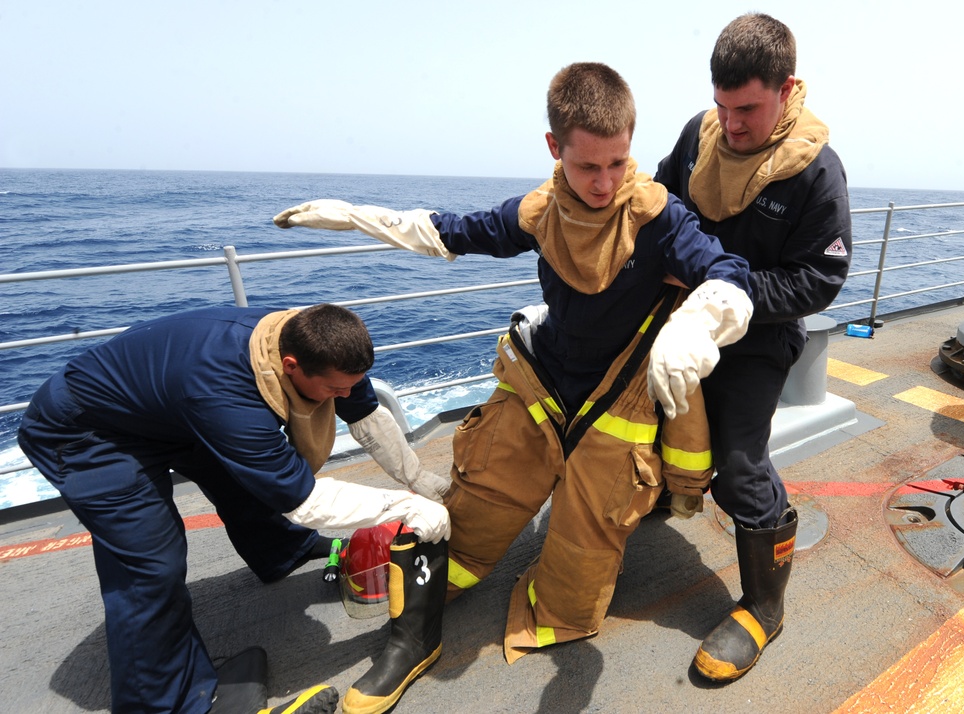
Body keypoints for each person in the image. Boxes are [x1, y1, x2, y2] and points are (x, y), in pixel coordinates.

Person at [274, 61, 753, 709]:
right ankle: (446, 579)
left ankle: (555, 597)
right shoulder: (537, 212)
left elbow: (727, 273)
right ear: (555, 149)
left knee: (574, 586)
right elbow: (451, 231)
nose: (606, 183)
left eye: (618, 162)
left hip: (615, 400)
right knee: (470, 518)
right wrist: (358, 218)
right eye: (588, 167)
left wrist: (701, 322)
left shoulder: (657, 218)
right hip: (543, 383)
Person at [16, 303, 450, 714]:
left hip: (165, 410)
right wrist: (406, 507)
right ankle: (165, 703)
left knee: (243, 480)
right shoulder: (225, 394)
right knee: (150, 567)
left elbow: (366, 416)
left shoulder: (314, 342)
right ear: (291, 367)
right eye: (337, 390)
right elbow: (302, 500)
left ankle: (282, 551)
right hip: (85, 431)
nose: (346, 394)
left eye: (351, 384)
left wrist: (419, 480)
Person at [653, 13, 852, 682]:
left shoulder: (817, 173)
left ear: (787, 88)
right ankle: (656, 496)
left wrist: (724, 297)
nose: (731, 125)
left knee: (739, 466)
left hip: (757, 339)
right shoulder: (697, 137)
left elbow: (819, 278)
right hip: (678, 320)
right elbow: (655, 204)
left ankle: (765, 606)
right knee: (636, 413)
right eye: (721, 107)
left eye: (747, 110)